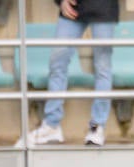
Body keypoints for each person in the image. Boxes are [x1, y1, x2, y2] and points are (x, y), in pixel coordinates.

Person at [25, 0, 117, 146]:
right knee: (57, 62)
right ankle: (51, 125)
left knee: (102, 68)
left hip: (104, 8)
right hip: (73, 8)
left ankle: (96, 127)